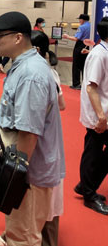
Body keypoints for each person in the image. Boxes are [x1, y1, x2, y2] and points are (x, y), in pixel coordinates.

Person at [0, 11, 65, 246]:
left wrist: (13, 177)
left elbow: (28, 133)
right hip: (25, 167)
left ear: (18, 37)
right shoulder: (24, 66)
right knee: (19, 227)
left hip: (28, 172)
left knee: (24, 236)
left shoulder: (31, 74)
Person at [30, 30, 65, 246]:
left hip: (43, 142)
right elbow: (62, 105)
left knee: (45, 199)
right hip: (48, 140)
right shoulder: (50, 72)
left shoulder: (41, 74)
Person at [74, 16, 108, 215]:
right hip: (99, 114)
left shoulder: (103, 51)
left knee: (94, 151)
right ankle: (88, 192)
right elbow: (91, 87)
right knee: (93, 151)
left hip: (103, 112)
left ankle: (87, 184)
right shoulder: (99, 55)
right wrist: (101, 117)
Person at [63, 14, 91, 90]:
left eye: (80, 19)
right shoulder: (91, 25)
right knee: (84, 65)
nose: (79, 21)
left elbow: (76, 38)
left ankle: (76, 84)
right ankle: (85, 83)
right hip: (88, 45)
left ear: (82, 20)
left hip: (80, 46)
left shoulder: (82, 27)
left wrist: (67, 36)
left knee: (76, 65)